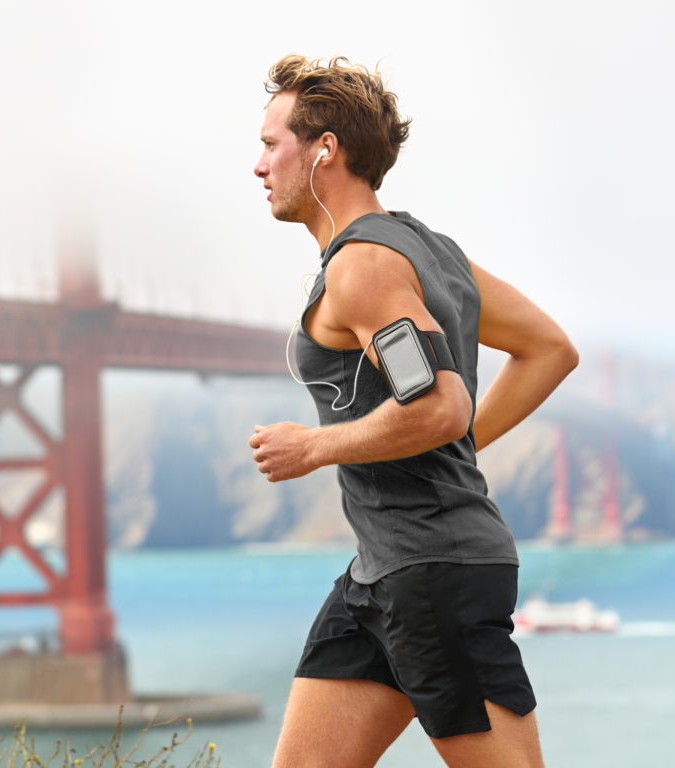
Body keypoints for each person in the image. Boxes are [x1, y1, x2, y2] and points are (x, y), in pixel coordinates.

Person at [248, 55, 578, 768]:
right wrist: (456, 443)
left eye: (272, 144)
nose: (259, 165)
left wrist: (314, 447)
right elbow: (549, 349)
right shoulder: (433, 251)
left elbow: (436, 405)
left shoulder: (361, 267)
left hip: (435, 572)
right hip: (380, 573)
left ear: (325, 149)